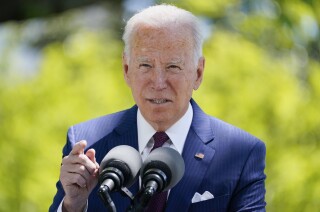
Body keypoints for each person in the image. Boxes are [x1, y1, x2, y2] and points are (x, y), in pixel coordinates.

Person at [50, 4, 266, 212]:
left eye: (173, 66)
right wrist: (73, 206)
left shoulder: (242, 153)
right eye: (145, 65)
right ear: (126, 69)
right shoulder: (87, 143)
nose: (158, 82)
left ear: (198, 73)